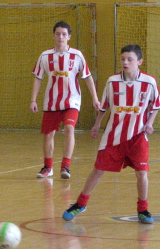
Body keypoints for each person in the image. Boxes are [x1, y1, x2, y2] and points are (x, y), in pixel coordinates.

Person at [62, 44, 160, 224]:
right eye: (123, 59)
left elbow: (156, 105)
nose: (125, 62)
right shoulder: (112, 81)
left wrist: (149, 123)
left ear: (139, 62)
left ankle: (143, 209)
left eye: (130, 59)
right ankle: (81, 203)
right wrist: (97, 124)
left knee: (141, 173)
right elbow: (104, 106)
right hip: (113, 136)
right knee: (98, 170)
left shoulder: (149, 82)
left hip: (138, 136)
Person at [30, 21, 100, 180]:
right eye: (57, 34)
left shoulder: (77, 55)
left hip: (72, 100)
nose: (60, 37)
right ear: (54, 35)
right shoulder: (45, 56)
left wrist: (95, 99)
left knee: (69, 128)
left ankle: (65, 166)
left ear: (69, 37)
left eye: (63, 34)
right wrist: (33, 100)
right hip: (51, 102)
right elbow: (38, 78)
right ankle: (48, 167)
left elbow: (87, 77)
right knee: (48, 134)